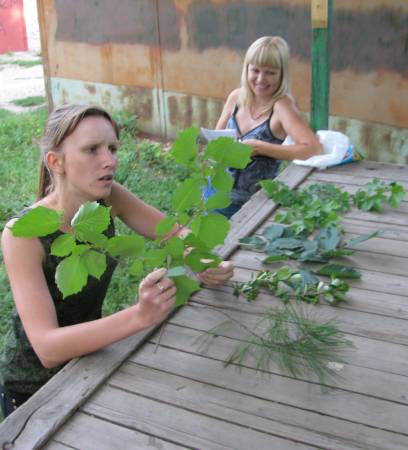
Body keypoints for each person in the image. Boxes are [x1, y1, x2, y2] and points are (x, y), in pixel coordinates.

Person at [0, 104, 234, 418]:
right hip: (33, 388)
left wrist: (204, 260)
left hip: (92, 359)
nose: (109, 160)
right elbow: (47, 348)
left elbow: (171, 232)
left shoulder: (108, 199)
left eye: (112, 148)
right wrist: (140, 315)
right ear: (56, 161)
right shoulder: (23, 235)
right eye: (92, 150)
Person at [212, 36, 322, 218]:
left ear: (282, 74)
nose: (261, 79)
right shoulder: (235, 98)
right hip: (214, 192)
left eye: (270, 72)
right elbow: (216, 140)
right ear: (246, 69)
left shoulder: (282, 106)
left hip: (250, 206)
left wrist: (260, 148)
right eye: (255, 70)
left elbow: (313, 149)